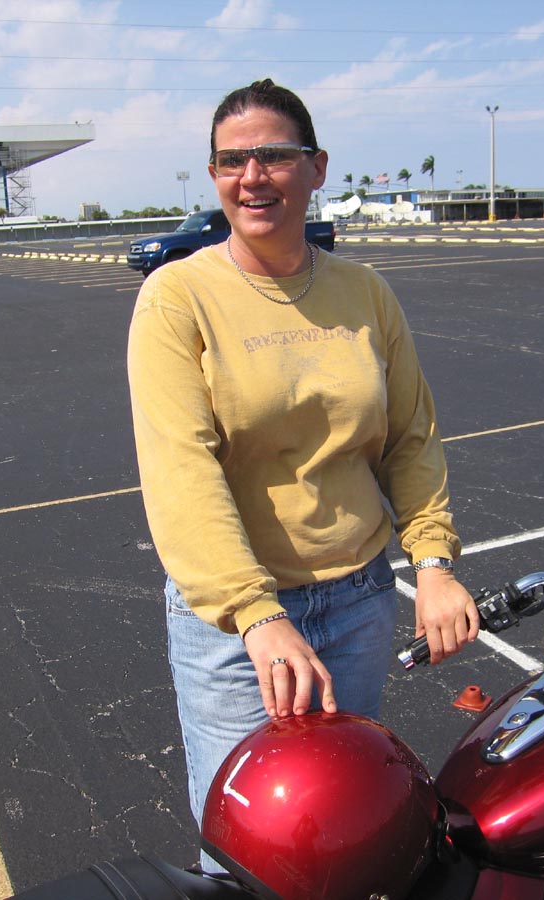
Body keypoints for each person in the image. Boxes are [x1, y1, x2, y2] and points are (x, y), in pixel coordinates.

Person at [126, 78, 478, 869]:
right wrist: (258, 615)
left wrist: (432, 562)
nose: (252, 176)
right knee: (251, 853)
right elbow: (182, 471)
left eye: (274, 155)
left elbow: (411, 438)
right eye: (231, 161)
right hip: (236, 626)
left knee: (349, 830)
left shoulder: (365, 294)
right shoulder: (178, 298)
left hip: (356, 602)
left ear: (317, 167)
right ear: (214, 176)